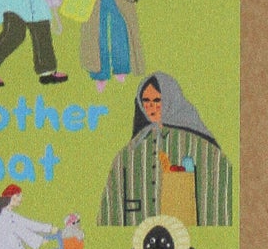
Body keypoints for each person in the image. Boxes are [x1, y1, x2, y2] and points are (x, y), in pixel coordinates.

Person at [97, 71, 234, 227]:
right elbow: (112, 197)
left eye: (157, 100)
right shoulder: (131, 150)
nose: (151, 106)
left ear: (171, 100)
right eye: (146, 101)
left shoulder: (199, 145)